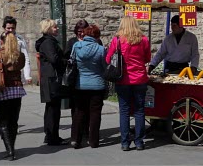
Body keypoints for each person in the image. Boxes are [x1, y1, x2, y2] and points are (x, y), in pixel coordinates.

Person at [106, 16, 151, 151]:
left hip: (123, 79)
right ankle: (139, 142)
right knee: (139, 111)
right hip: (140, 79)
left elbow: (108, 58)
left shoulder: (118, 40)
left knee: (124, 111)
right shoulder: (143, 39)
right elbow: (147, 58)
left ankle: (125, 142)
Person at [0, 32, 26, 160]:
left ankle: (10, 151)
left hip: (1, 90)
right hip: (16, 89)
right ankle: (12, 148)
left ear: (1, 41)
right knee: (13, 122)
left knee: (3, 123)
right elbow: (21, 66)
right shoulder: (19, 55)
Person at [64, 19, 102, 145]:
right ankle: (93, 141)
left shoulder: (76, 46)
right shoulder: (100, 49)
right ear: (96, 36)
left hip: (80, 83)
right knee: (95, 113)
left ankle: (75, 139)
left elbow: (72, 61)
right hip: (97, 84)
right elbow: (104, 65)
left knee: (79, 111)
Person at [35, 19, 68, 146]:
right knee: (53, 109)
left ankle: (50, 134)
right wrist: (65, 61)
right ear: (48, 29)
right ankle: (52, 136)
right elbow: (54, 59)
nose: (57, 29)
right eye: (55, 27)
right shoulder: (48, 42)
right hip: (51, 78)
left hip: (49, 78)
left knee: (51, 108)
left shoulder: (47, 41)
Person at [0, 16, 32, 85]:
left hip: (16, 74)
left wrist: (27, 76)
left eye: (13, 28)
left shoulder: (20, 39)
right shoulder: (0, 40)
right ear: (4, 28)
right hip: (3, 74)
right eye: (8, 28)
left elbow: (26, 57)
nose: (11, 30)